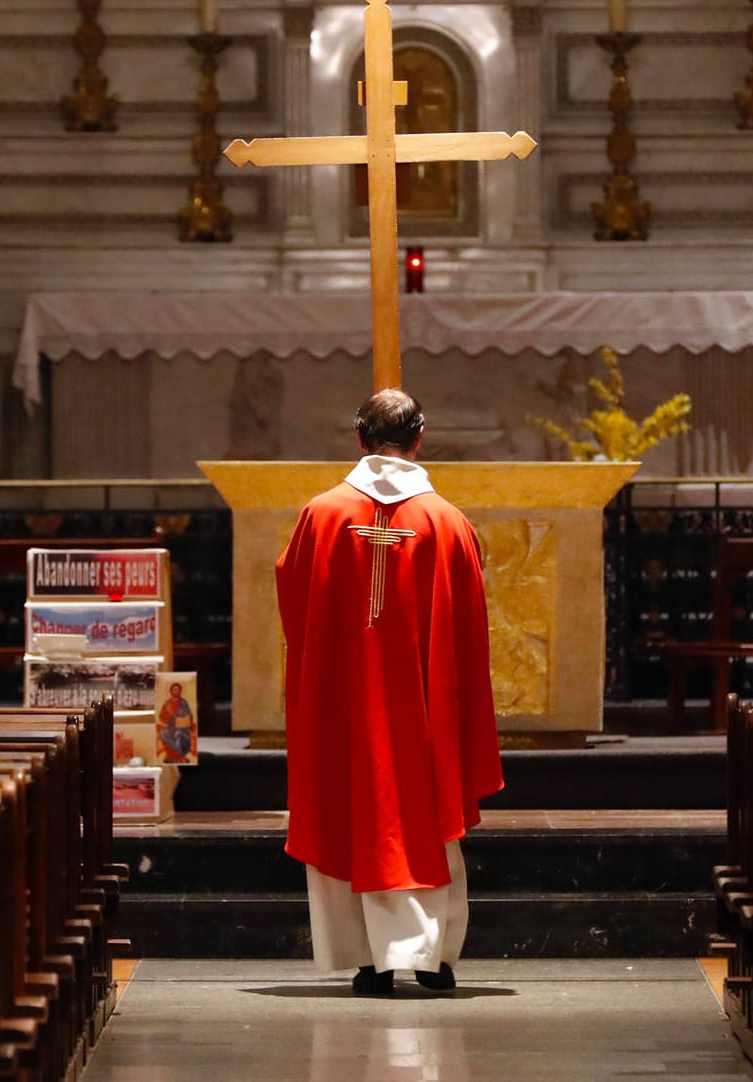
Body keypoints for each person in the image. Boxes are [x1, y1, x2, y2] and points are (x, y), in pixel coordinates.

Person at [274, 388, 503, 996]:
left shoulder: (320, 517)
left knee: (355, 812)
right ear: (420, 438)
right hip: (422, 712)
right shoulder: (448, 523)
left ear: (359, 438)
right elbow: (469, 633)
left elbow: (295, 604)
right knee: (424, 815)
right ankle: (432, 960)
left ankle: (368, 962)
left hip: (347, 709)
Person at [155, 681, 196, 763]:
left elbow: (189, 715)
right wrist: (169, 715)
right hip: (171, 727)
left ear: (180, 691)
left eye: (177, 690)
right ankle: (174, 756)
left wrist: (176, 715)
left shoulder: (183, 702)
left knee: (179, 734)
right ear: (171, 691)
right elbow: (162, 717)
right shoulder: (168, 703)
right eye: (174, 690)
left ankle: (180, 756)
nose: (175, 691)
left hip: (182, 727)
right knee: (163, 732)